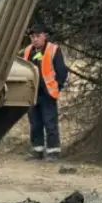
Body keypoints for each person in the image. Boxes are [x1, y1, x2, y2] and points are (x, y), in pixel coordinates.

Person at [19, 26, 68, 161]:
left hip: (48, 94)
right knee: (35, 123)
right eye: (32, 37)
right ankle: (37, 151)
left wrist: (57, 87)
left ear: (44, 36)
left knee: (50, 122)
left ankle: (53, 152)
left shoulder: (53, 50)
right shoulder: (28, 51)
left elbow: (62, 72)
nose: (35, 39)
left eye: (37, 36)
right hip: (32, 93)